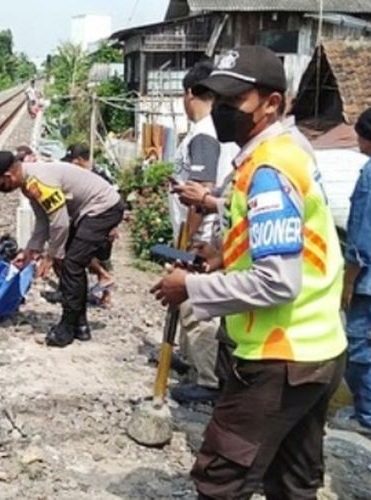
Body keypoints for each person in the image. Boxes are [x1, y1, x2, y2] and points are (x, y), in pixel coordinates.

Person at [153, 46, 346, 499]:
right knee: (293, 481)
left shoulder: (269, 167)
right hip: (318, 348)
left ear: (272, 103)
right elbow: (274, 223)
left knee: (221, 479)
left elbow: (277, 281)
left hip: (279, 357)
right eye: (216, 99)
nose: (222, 111)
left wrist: (192, 286)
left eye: (234, 101)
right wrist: (220, 243)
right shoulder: (286, 148)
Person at [0, 150, 124, 347]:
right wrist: (30, 252)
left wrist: (51, 256)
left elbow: (60, 223)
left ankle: (67, 327)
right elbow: (43, 220)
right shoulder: (28, 182)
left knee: (71, 263)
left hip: (103, 208)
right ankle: (80, 325)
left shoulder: (38, 181)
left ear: (8, 176)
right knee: (70, 263)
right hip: (90, 210)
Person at [168, 61, 239, 404]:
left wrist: (191, 241)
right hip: (205, 232)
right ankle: (193, 363)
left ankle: (208, 381)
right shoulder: (209, 131)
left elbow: (201, 192)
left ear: (188, 94)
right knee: (189, 305)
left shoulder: (204, 134)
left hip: (203, 236)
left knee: (197, 306)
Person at [336, 107, 371, 436]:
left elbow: (361, 237)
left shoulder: (369, 174)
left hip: (367, 281)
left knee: (358, 347)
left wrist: (348, 281)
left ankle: (366, 416)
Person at [62, 143, 117, 306]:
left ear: (79, 161)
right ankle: (93, 291)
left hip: (103, 221)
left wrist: (114, 226)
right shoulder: (81, 175)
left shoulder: (99, 175)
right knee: (88, 256)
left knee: (102, 257)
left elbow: (115, 200)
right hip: (87, 220)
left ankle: (106, 291)